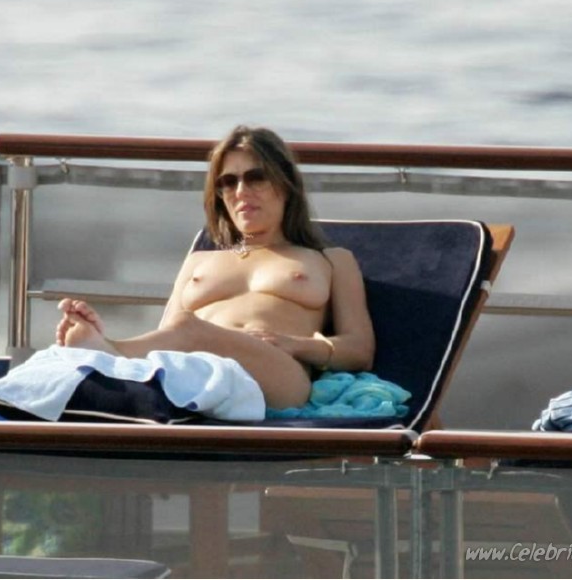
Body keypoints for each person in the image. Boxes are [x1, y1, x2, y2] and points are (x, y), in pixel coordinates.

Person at [55, 125, 375, 410]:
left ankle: (110, 352)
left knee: (187, 326)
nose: (241, 192)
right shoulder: (200, 260)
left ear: (286, 184)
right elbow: (166, 337)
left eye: (256, 177)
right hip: (196, 366)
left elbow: (360, 349)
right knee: (182, 329)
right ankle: (108, 350)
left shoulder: (331, 259)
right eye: (228, 182)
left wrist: (297, 344)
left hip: (278, 373)